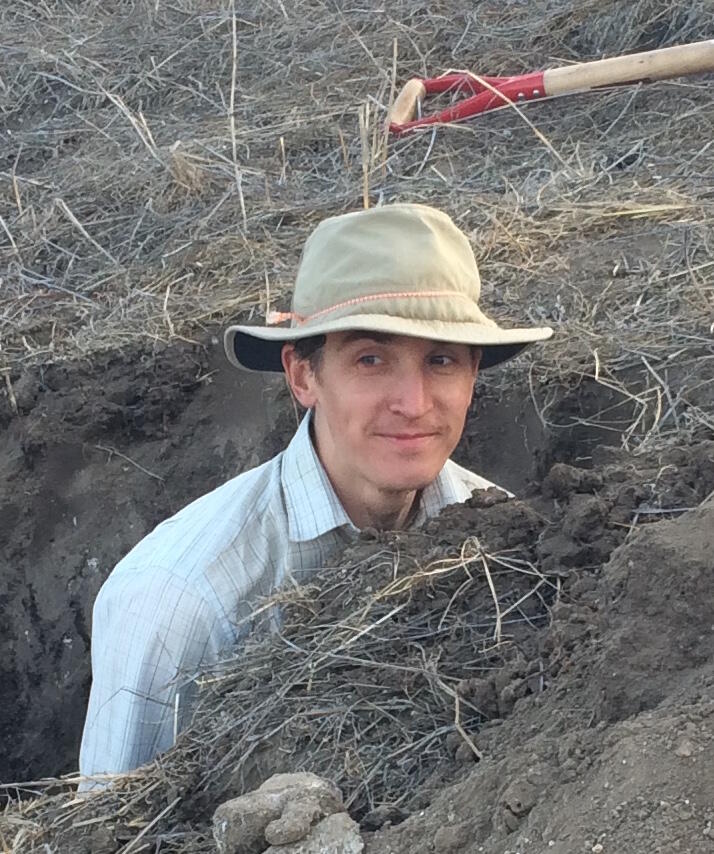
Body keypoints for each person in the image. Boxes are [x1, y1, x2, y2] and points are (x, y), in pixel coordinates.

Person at [79, 203, 552, 787]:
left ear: (473, 374)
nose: (414, 401)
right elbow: (113, 826)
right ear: (303, 376)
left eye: (441, 360)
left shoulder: (504, 541)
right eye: (371, 359)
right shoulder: (180, 599)